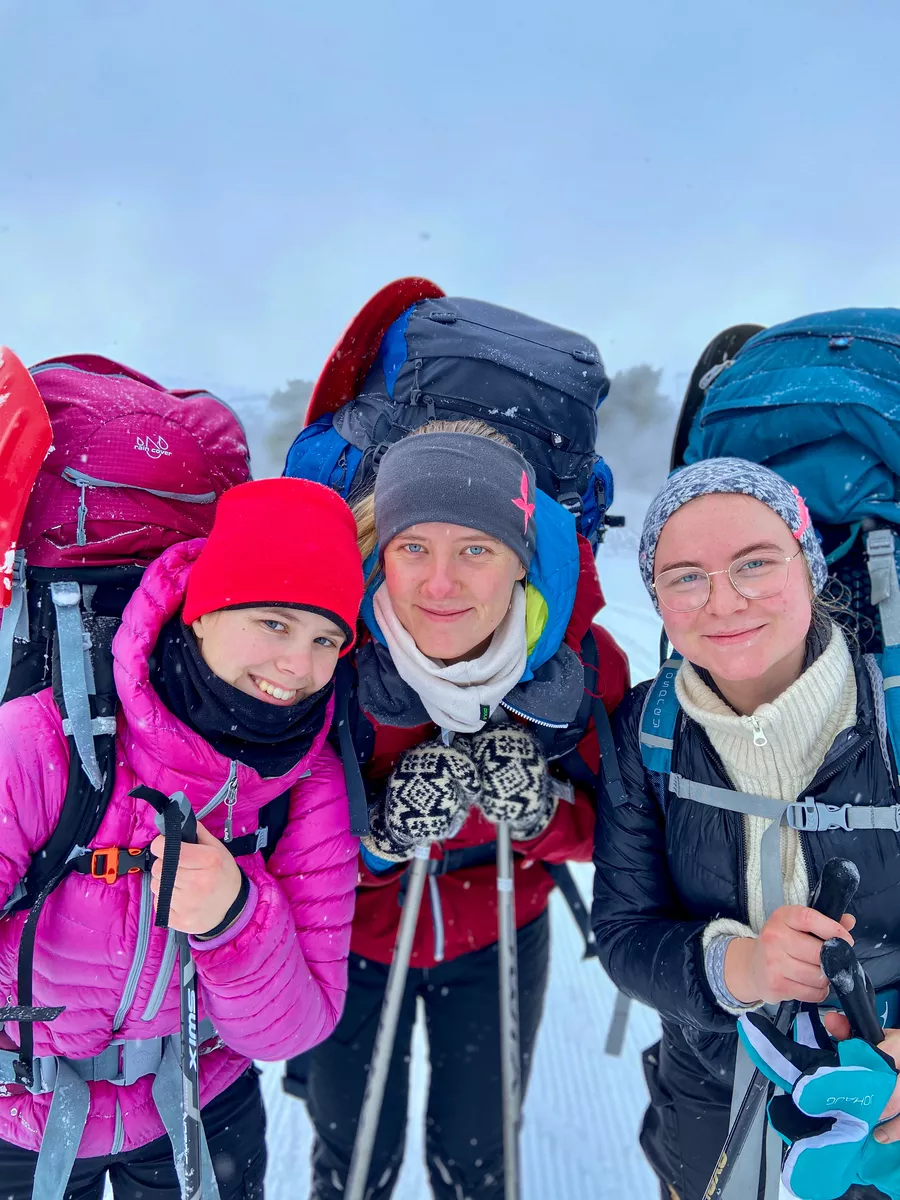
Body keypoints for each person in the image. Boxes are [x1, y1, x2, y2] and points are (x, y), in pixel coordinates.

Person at [288, 419, 629, 1199]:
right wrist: (379, 840)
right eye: (413, 546)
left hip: (498, 933)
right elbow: (281, 845)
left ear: (522, 557)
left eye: (476, 548)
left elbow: (615, 836)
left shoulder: (579, 670)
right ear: (380, 552)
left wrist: (541, 814)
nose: (440, 584)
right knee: (351, 1158)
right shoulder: (330, 661)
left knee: (479, 1164)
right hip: (354, 943)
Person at [0, 477, 364, 1200]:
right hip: (17, 1118)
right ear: (202, 612)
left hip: (201, 1109)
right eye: (274, 623)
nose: (300, 667)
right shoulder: (42, 740)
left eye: (326, 639)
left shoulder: (310, 780)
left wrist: (235, 919)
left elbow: (293, 1030)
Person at [592, 457, 900, 1200]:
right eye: (685, 576)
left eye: (755, 563)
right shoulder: (648, 730)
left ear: (810, 567)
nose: (724, 601)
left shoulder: (893, 714)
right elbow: (625, 935)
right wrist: (744, 968)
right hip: (709, 1091)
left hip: (883, 1091)